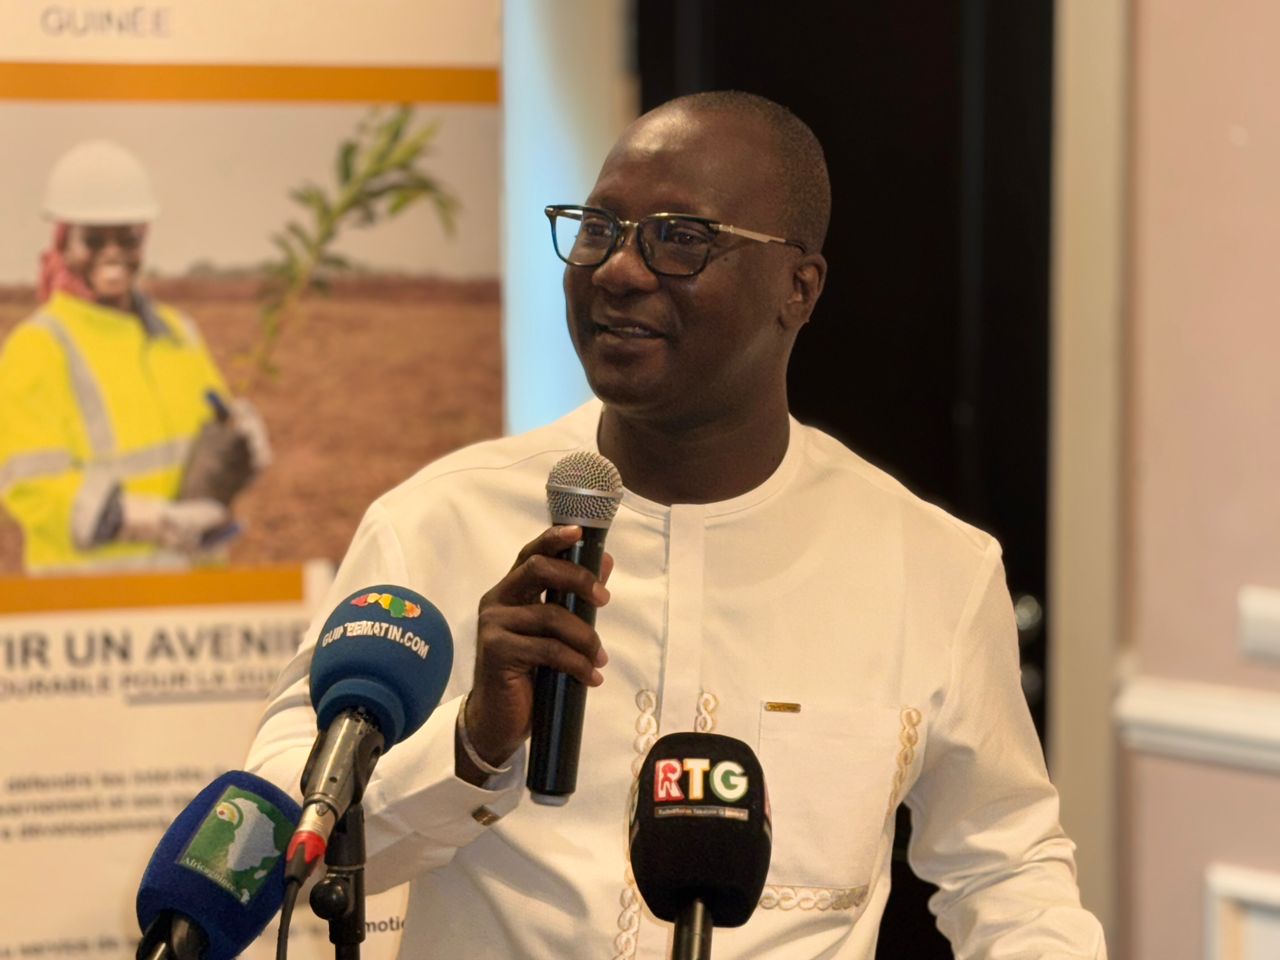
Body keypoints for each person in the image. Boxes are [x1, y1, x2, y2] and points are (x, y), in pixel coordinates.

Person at [247, 92, 1106, 958]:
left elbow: (1007, 872)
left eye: (680, 238)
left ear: (798, 288)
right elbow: (272, 848)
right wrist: (472, 745)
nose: (618, 270)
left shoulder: (931, 566)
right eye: (599, 229)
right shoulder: (438, 523)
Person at [0, 139, 270, 573]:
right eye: (93, 240)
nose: (113, 253)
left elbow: (212, 433)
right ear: (63, 244)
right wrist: (148, 520)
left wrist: (242, 444)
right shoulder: (38, 347)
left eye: (127, 238)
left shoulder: (178, 334)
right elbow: (32, 486)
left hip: (190, 591)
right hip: (95, 603)